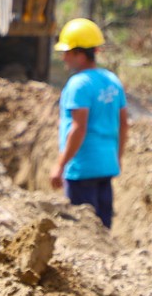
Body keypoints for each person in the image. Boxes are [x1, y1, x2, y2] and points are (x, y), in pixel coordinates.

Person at [48, 17, 128, 229]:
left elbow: (78, 128)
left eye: (67, 52)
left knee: (84, 231)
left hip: (82, 169)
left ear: (80, 53)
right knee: (103, 229)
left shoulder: (78, 85)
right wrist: (117, 157)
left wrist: (60, 164)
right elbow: (123, 124)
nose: (64, 58)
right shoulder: (112, 80)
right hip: (106, 166)